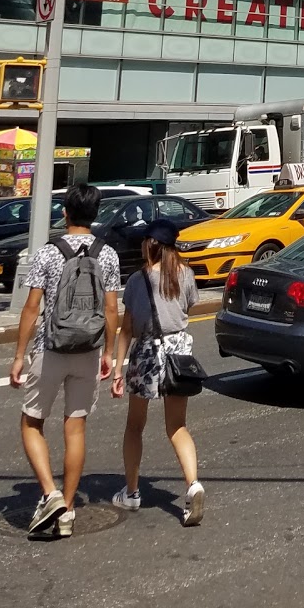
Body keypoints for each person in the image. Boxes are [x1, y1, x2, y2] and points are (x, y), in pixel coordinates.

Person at [9, 183, 120, 538]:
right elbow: (111, 309)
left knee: (31, 423)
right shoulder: (108, 255)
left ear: (66, 212)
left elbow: (31, 308)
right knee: (75, 428)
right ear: (95, 214)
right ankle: (68, 510)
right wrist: (109, 353)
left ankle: (50, 492)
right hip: (87, 349)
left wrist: (18, 356)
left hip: (50, 347)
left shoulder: (47, 253)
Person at [111, 219, 204, 526]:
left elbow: (127, 329)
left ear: (148, 244)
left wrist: (117, 369)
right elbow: (186, 310)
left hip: (149, 353)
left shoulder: (138, 280)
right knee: (177, 426)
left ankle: (133, 492)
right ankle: (193, 484)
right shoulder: (185, 274)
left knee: (134, 426)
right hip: (179, 352)